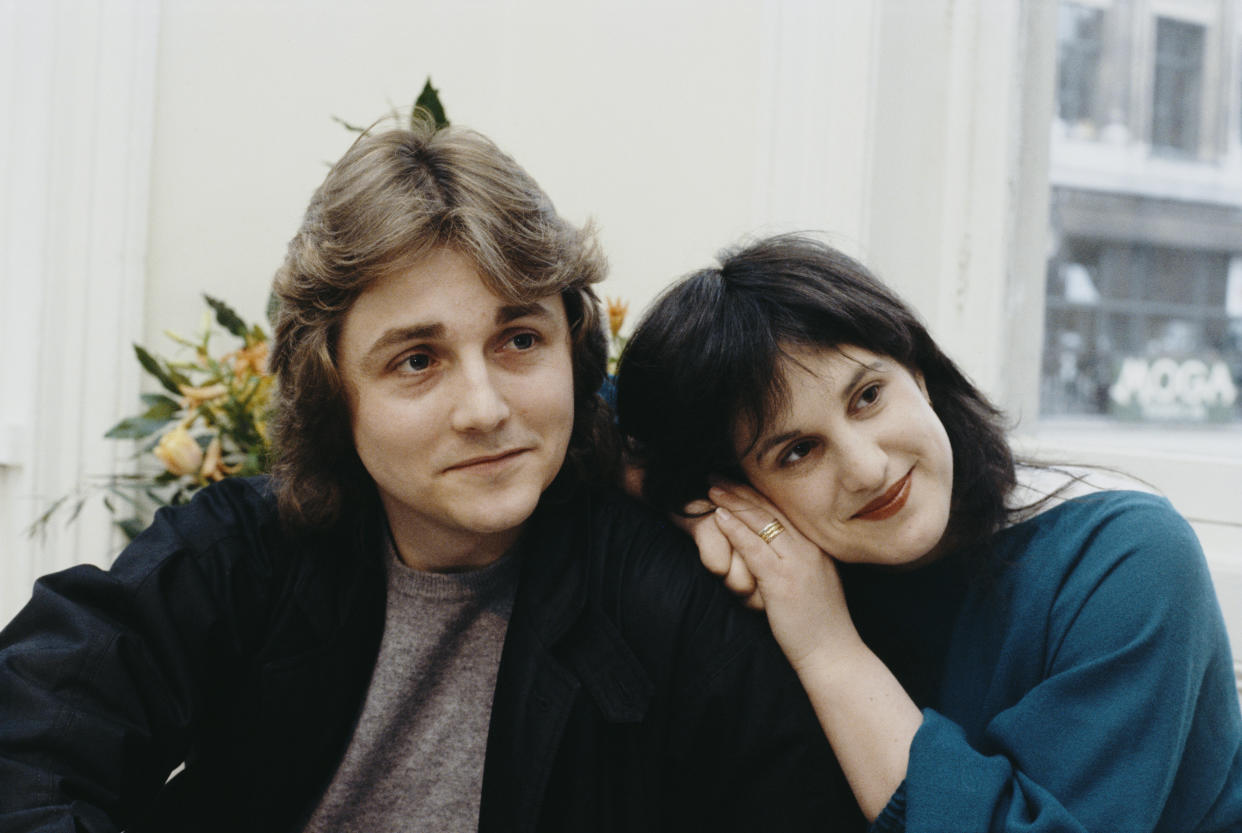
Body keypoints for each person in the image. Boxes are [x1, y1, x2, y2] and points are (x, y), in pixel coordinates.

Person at [0, 123, 861, 832]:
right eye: (417, 359)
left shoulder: (671, 599)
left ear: (574, 347)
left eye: (519, 338)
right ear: (334, 391)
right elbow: (29, 743)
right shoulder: (241, 553)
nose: (484, 407)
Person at [615, 233, 1242, 833]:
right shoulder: (786, 552)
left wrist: (827, 647)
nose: (867, 468)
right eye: (799, 451)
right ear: (744, 489)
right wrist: (694, 507)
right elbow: (583, 412)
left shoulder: (1128, 558)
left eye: (867, 397)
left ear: (918, 372)